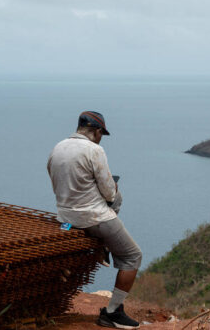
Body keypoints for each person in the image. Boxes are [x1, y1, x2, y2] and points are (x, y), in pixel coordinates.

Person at [47, 111, 142, 329]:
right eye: (101, 134)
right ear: (97, 131)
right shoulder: (94, 150)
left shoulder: (57, 148)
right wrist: (114, 188)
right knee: (132, 256)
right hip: (93, 218)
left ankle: (103, 248)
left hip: (65, 217)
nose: (101, 138)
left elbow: (56, 183)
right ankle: (112, 313)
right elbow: (109, 194)